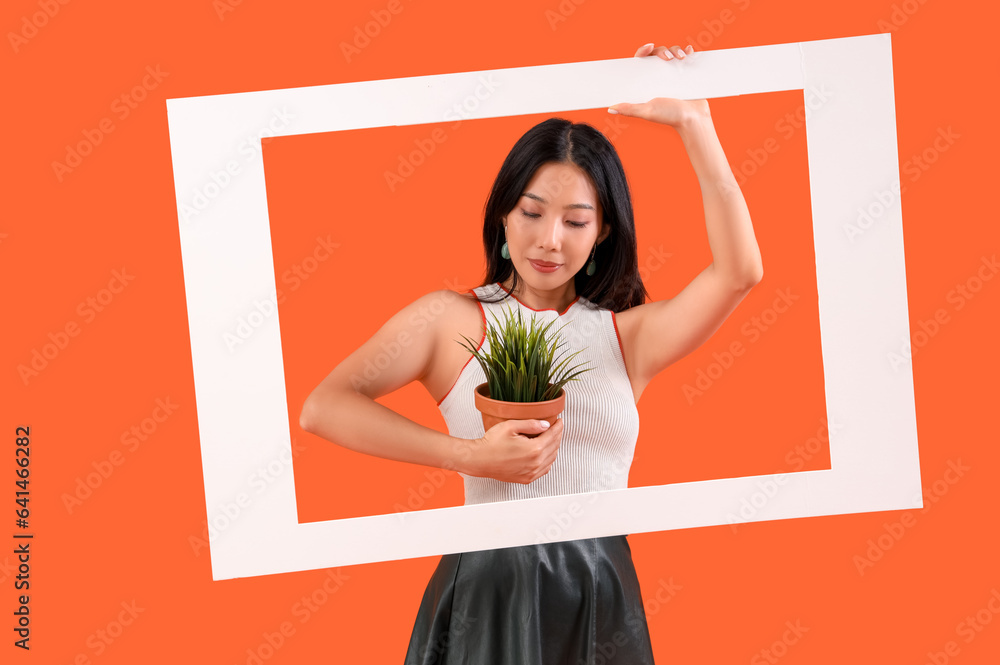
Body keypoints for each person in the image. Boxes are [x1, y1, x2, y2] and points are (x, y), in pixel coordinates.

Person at [299, 42, 763, 664]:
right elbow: (323, 407)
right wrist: (468, 456)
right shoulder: (453, 319)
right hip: (491, 590)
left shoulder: (627, 337)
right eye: (532, 212)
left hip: (600, 589)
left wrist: (694, 124)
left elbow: (740, 272)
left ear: (603, 232)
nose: (550, 240)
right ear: (502, 216)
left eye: (576, 221)